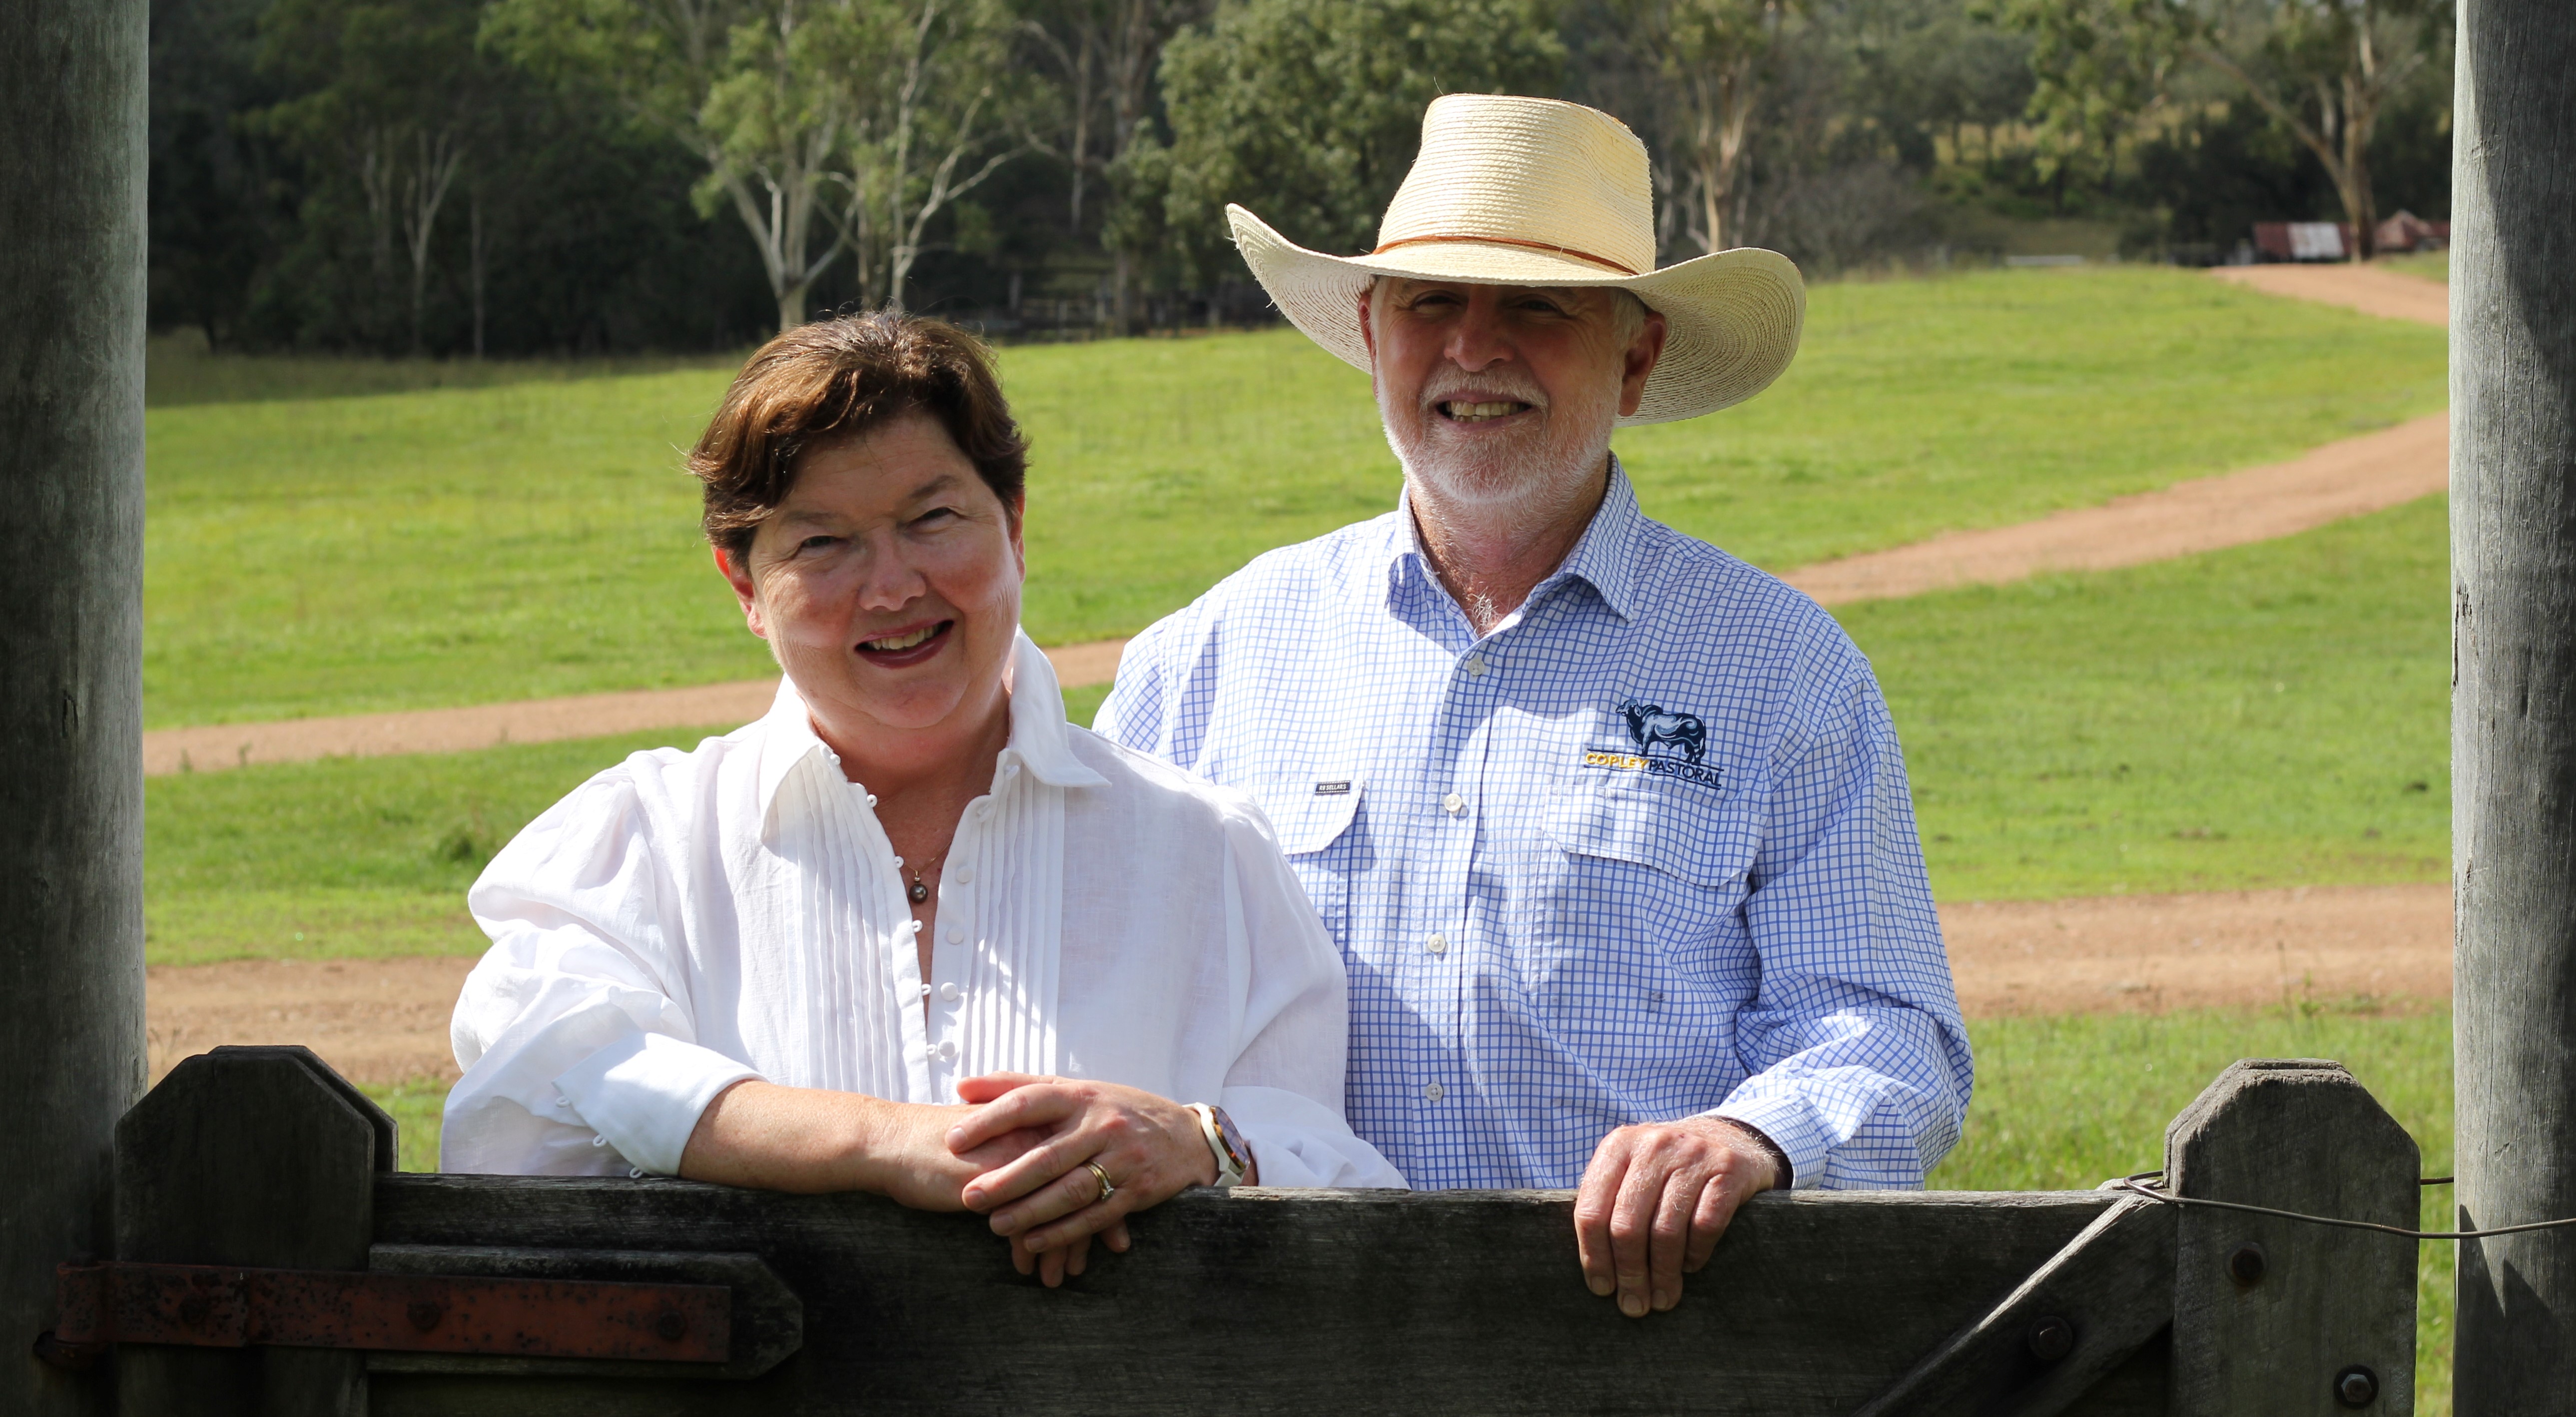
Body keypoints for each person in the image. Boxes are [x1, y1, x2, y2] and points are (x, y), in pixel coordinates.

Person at [1099, 94, 1973, 1317]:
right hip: (1276, 1344)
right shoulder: (1207, 658)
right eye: (1429, 302)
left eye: (1536, 306)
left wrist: (1751, 1135)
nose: (1472, 347)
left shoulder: (1782, 669)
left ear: (1636, 356)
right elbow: (1088, 992)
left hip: (1646, 1347)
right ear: (1372, 330)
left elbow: (1888, 1034)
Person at [443, 312, 1405, 1286]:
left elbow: (1330, 1170)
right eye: (822, 542)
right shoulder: (645, 842)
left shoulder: (1202, 847)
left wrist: (1203, 1143)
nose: (893, 587)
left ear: (1015, 525)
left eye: (932, 519)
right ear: (744, 584)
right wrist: (880, 1142)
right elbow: (540, 1081)